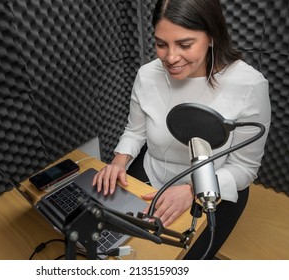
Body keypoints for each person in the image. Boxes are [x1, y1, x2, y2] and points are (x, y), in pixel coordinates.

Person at [92, 0, 271, 259]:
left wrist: (191, 190)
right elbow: (135, 131)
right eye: (161, 44)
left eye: (185, 45)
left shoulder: (249, 85)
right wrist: (119, 162)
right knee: (108, 245)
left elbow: (245, 168)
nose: (171, 58)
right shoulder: (146, 75)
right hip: (152, 174)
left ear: (212, 37)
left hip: (213, 188)